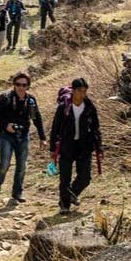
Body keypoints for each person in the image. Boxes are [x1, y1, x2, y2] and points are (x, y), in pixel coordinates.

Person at [48, 78, 102, 214]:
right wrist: (52, 149)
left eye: (84, 91)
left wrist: (99, 147)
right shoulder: (64, 107)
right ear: (73, 90)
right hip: (67, 146)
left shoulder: (89, 107)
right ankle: (64, 205)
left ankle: (72, 194)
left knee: (85, 177)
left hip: (84, 146)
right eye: (79, 91)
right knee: (65, 178)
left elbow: (96, 128)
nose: (82, 94)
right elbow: (55, 128)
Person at [0, 72, 44, 203]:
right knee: (5, 163)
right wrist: (5, 124)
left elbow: (37, 118)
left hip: (23, 135)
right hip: (6, 135)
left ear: (28, 86)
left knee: (22, 166)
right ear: (14, 85)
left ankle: (17, 193)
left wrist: (43, 137)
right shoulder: (6, 97)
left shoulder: (30, 100)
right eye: (18, 84)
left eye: (24, 85)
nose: (21, 87)